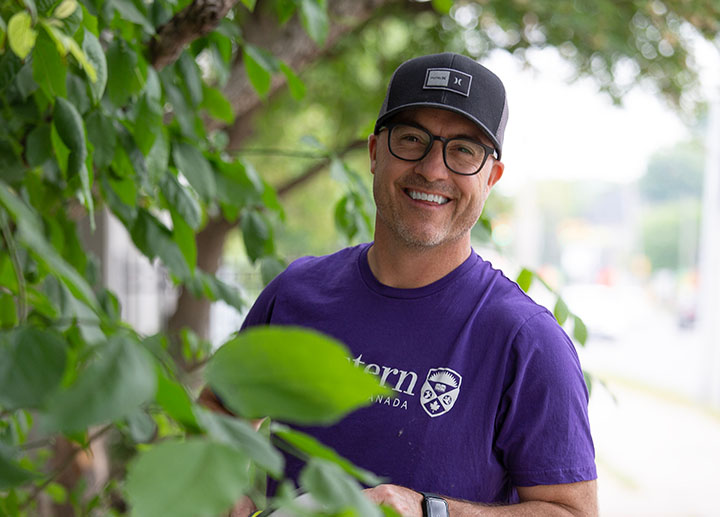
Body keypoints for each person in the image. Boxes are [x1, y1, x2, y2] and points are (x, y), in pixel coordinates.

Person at [214, 52, 598, 516]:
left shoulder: (526, 340)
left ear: (491, 176)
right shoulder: (297, 293)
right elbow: (219, 415)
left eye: (463, 150)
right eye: (413, 139)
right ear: (376, 153)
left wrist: (428, 511)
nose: (433, 170)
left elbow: (572, 512)